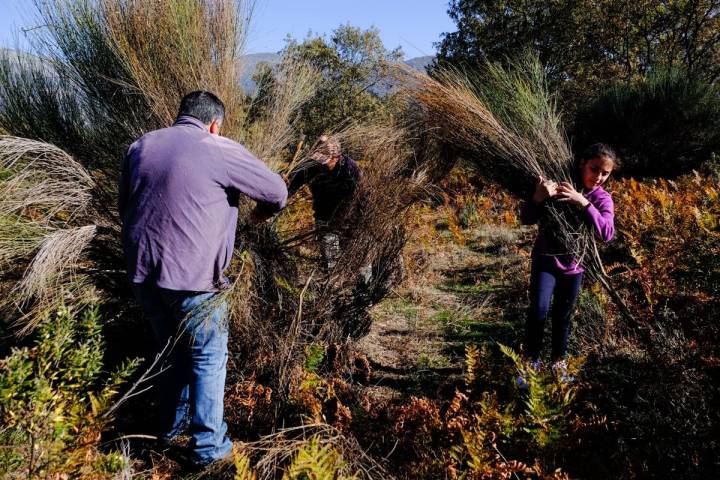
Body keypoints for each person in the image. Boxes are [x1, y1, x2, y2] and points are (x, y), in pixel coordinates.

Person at [118, 91, 287, 468]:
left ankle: (168, 433)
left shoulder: (141, 145)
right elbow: (277, 191)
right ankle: (209, 449)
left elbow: (124, 207)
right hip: (195, 280)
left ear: (180, 116)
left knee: (168, 354)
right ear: (214, 124)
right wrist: (261, 213)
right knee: (208, 357)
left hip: (144, 275)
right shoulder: (217, 146)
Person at [518, 143, 618, 383]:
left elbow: (607, 233)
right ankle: (530, 363)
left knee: (563, 316)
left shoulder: (601, 197)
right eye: (595, 169)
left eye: (605, 173)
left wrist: (583, 203)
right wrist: (538, 198)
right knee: (538, 310)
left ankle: (558, 364)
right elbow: (526, 218)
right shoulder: (557, 185)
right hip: (545, 262)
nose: (599, 177)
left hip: (575, 268)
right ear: (582, 162)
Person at [287, 135, 365, 276]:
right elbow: (289, 187)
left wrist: (361, 220)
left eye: (325, 161)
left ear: (337, 157)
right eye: (318, 159)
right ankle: (332, 288)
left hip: (351, 219)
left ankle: (363, 291)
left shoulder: (350, 168)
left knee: (358, 260)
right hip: (324, 218)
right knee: (330, 262)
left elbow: (364, 195)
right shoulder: (309, 167)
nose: (320, 164)